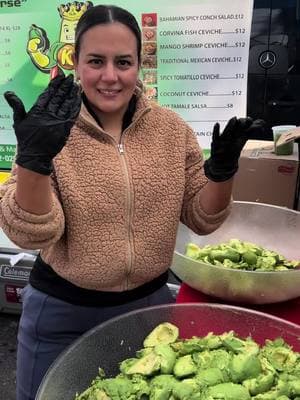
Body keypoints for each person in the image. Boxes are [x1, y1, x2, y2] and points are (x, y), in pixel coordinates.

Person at [0, 5, 268, 400]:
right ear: (75, 63)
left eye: (123, 62)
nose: (110, 76)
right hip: (62, 312)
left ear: (139, 65)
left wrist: (222, 173)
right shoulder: (51, 131)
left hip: (149, 310)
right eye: (96, 61)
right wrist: (34, 162)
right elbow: (29, 232)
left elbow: (202, 217)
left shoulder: (171, 130)